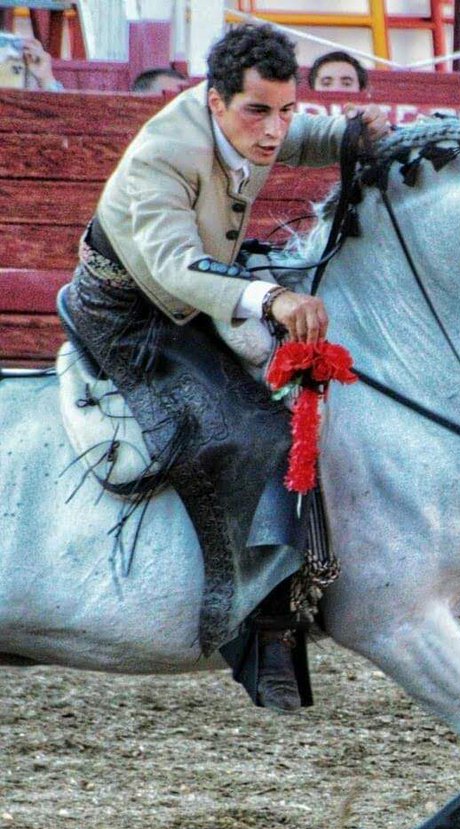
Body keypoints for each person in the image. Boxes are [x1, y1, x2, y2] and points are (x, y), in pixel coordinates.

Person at [62, 23, 389, 712]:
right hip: (129, 314)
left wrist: (350, 135)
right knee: (252, 434)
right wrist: (270, 297)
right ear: (214, 101)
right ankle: (257, 627)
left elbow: (298, 139)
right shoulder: (163, 153)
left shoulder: (252, 126)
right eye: (257, 111)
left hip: (193, 300)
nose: (273, 131)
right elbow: (173, 268)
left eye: (285, 108)